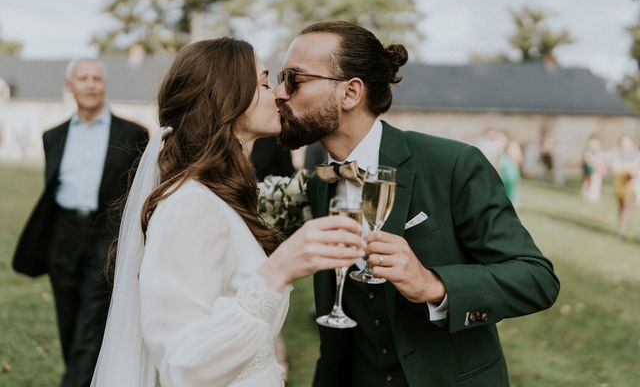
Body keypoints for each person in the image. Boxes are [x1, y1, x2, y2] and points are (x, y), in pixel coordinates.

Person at [275, 21, 560, 387]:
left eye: (294, 79)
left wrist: (433, 285)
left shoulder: (452, 164)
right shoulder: (320, 184)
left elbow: (537, 279)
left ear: (350, 93)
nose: (281, 93)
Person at [91, 38, 364, 387]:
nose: (279, 93)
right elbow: (182, 363)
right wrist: (279, 270)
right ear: (228, 99)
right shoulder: (191, 205)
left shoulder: (222, 198)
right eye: (265, 83)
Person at [12, 58, 148, 387]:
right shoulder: (52, 136)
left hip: (105, 236)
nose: (90, 84)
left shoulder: (131, 134)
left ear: (104, 85)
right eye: (83, 78)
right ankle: (84, 377)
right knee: (70, 323)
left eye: (96, 79)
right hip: (63, 236)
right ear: (70, 86)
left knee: (91, 323)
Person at [610, 135, 640, 240]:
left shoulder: (635, 154)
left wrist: (624, 167)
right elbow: (614, 168)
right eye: (623, 142)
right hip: (619, 183)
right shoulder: (616, 153)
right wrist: (627, 167)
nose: (625, 145)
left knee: (627, 207)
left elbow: (635, 169)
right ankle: (621, 226)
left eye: (627, 142)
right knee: (621, 206)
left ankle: (623, 228)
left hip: (629, 184)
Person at [581, 134, 605, 203]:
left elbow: (601, 159)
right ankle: (587, 195)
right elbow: (587, 158)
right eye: (592, 142)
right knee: (588, 181)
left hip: (596, 169)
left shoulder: (598, 150)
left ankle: (594, 195)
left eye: (596, 142)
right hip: (590, 169)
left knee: (596, 182)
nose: (594, 144)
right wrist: (594, 164)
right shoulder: (588, 150)